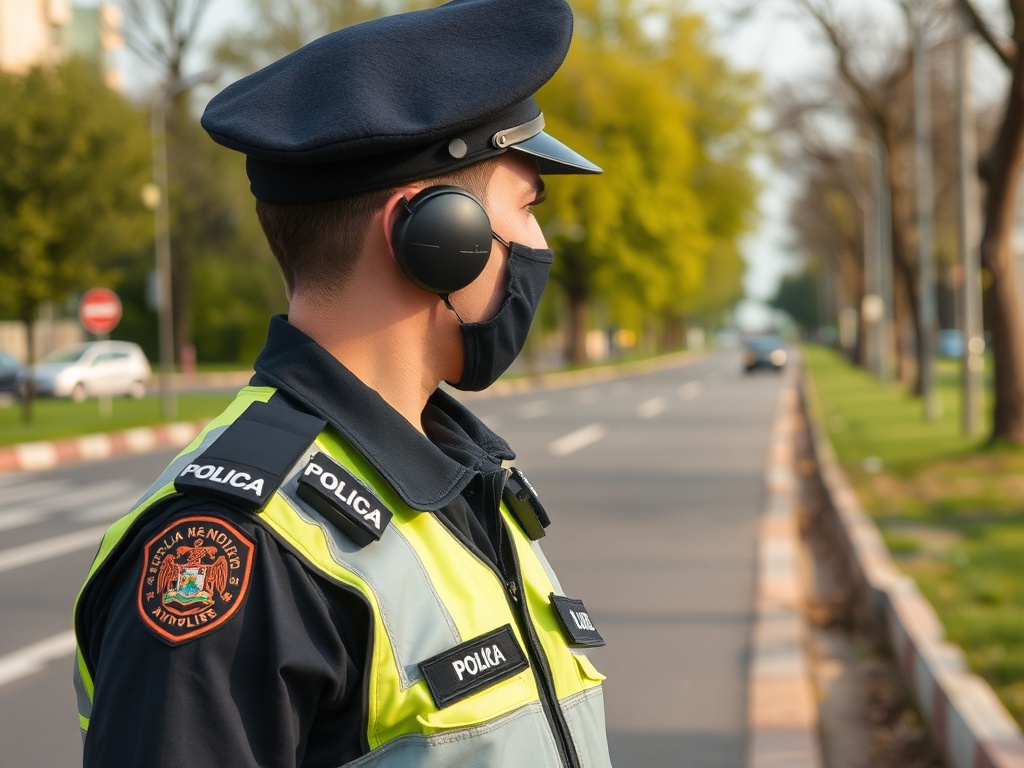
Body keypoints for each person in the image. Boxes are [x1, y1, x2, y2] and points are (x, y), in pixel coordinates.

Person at [73, 0, 611, 765]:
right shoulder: (236, 553)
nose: (539, 245)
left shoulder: (466, 483)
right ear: (434, 236)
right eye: (524, 209)